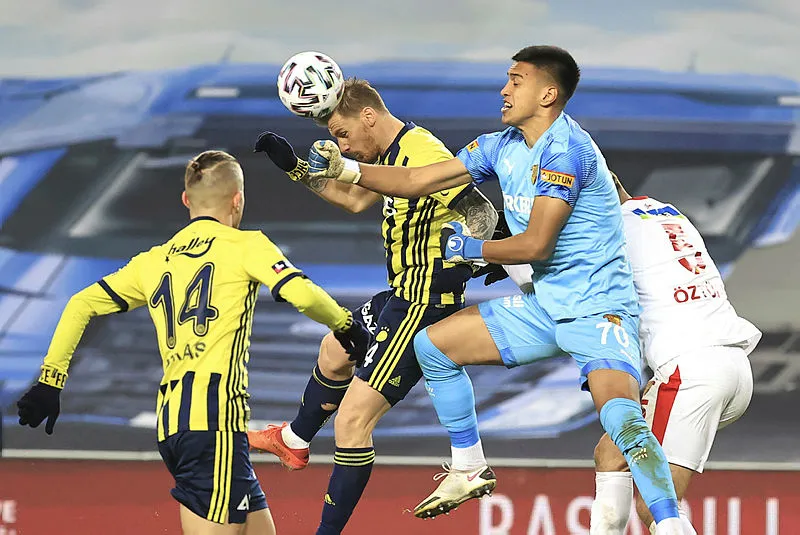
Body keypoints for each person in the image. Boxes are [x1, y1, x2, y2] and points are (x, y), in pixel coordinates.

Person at [304, 46, 685, 533]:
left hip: (596, 310)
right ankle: (469, 467)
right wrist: (345, 171)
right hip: (544, 307)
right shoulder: (500, 145)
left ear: (547, 94)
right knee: (432, 346)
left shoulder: (566, 150)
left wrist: (473, 248)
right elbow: (418, 179)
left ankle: (671, 525)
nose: (504, 90)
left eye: (516, 81)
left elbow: (538, 244)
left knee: (622, 421)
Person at [15, 150, 370, 535]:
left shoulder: (153, 261)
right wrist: (345, 324)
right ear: (237, 200)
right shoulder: (245, 245)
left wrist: (51, 381)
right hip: (213, 424)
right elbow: (300, 293)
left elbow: (80, 304)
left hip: (179, 424)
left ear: (186, 200)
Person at [248, 78, 497, 534]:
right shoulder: (387, 153)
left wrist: (481, 253)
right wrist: (294, 167)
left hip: (424, 304)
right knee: (335, 350)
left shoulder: (421, 151)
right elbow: (353, 198)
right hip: (401, 294)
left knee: (352, 421)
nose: (342, 146)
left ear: (368, 116)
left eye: (342, 134)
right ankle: (294, 439)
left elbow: (481, 211)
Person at [588, 174, 762, 534]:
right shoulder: (666, 212)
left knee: (653, 506)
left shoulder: (608, 232)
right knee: (612, 453)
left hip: (690, 371)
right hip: (734, 366)